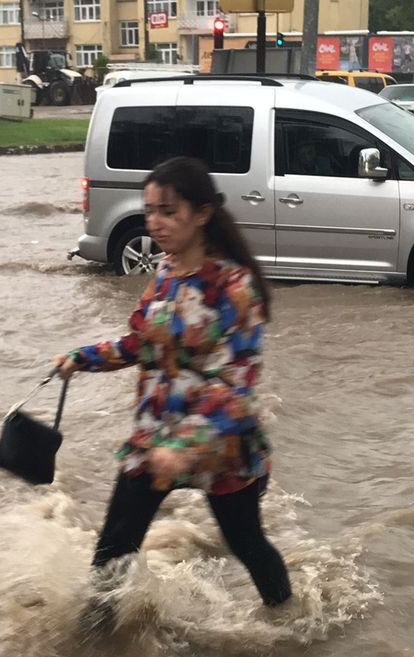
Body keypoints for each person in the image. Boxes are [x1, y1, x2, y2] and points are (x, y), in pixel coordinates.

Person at [53, 157, 293, 624]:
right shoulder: (165, 272)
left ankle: (288, 619)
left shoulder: (237, 288)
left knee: (246, 542)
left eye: (168, 211)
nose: (155, 223)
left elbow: (237, 388)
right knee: (113, 550)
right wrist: (83, 358)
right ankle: (93, 653)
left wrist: (186, 449)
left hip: (220, 448)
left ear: (201, 214)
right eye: (150, 211)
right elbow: (146, 345)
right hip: (155, 435)